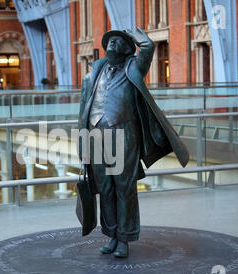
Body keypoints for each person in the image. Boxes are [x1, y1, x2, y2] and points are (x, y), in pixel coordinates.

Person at [77, 27, 189, 258]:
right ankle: (112, 235)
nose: (113, 44)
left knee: (124, 188)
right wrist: (82, 143)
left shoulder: (134, 68)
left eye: (119, 42)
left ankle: (125, 239)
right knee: (105, 189)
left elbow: (147, 48)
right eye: (110, 41)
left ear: (128, 50)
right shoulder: (92, 76)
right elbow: (82, 112)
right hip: (96, 136)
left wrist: (138, 38)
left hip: (124, 135)